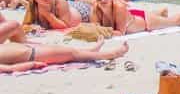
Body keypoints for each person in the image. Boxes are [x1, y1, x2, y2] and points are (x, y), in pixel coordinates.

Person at [0, 19, 129, 73]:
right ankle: (112, 54)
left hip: (28, 50)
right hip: (32, 56)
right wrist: (31, 65)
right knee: (71, 54)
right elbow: (8, 69)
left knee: (69, 52)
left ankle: (90, 51)